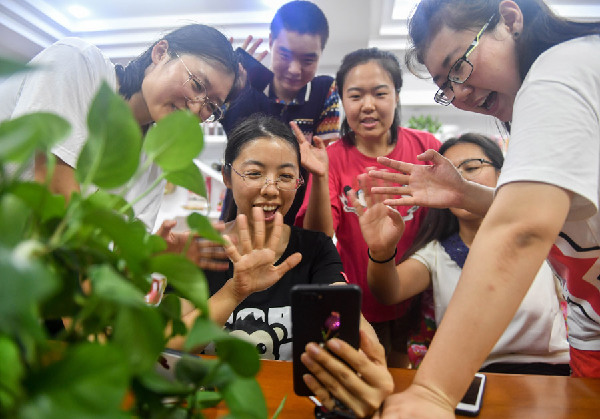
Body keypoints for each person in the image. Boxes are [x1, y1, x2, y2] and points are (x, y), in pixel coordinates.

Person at [364, 1, 600, 417]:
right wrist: (465, 194)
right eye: (446, 86)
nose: (460, 95)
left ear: (510, 19)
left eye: (458, 67)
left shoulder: (556, 73)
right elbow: (572, 218)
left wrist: (433, 392)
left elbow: (523, 229)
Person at [170, 114, 393, 417]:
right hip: (212, 406)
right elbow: (170, 349)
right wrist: (234, 291)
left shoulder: (314, 248)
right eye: (254, 173)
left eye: (286, 176)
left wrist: (357, 338)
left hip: (290, 405)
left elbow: (349, 321)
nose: (271, 189)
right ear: (227, 176)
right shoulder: (198, 250)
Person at [0, 24, 238, 269]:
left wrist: (151, 257)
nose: (197, 108)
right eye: (197, 85)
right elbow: (55, 195)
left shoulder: (155, 161)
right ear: (160, 53)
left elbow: (119, 258)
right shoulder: (78, 62)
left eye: (211, 106)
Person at [356, 133, 570, 375]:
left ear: (502, 174)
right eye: (447, 173)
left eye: (471, 167)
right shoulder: (437, 254)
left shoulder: (542, 231)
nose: (457, 180)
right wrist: (381, 251)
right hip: (472, 379)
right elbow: (388, 291)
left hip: (553, 374)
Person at [296, 47, 441, 367]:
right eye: (356, 95)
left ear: (397, 96)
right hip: (358, 303)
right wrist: (319, 179)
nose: (368, 105)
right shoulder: (331, 157)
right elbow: (319, 237)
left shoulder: (426, 148)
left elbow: (448, 224)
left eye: (380, 93)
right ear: (343, 102)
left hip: (419, 301)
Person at [220, 0, 340, 225]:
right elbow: (208, 117)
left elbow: (326, 161)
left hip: (296, 223)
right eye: (285, 55)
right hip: (238, 217)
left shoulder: (324, 91)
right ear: (271, 42)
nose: (295, 69)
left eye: (308, 60)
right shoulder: (245, 82)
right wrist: (228, 86)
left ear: (321, 53)